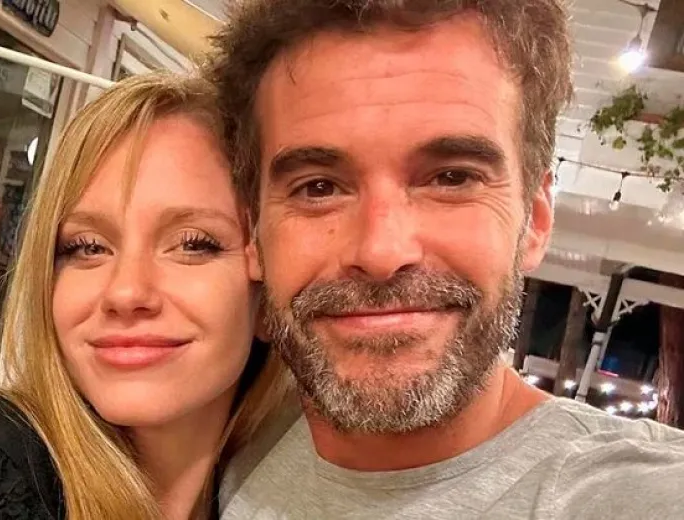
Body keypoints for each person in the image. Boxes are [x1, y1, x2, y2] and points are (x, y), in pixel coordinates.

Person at [204, 1, 684, 518]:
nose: (381, 252)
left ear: (535, 219)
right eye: (318, 187)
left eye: (452, 178)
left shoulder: (630, 496)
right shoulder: (227, 437)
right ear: (252, 233)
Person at [0, 72, 292, 520]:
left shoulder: (280, 493)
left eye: (192, 243)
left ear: (269, 295)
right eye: (88, 247)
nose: (126, 291)